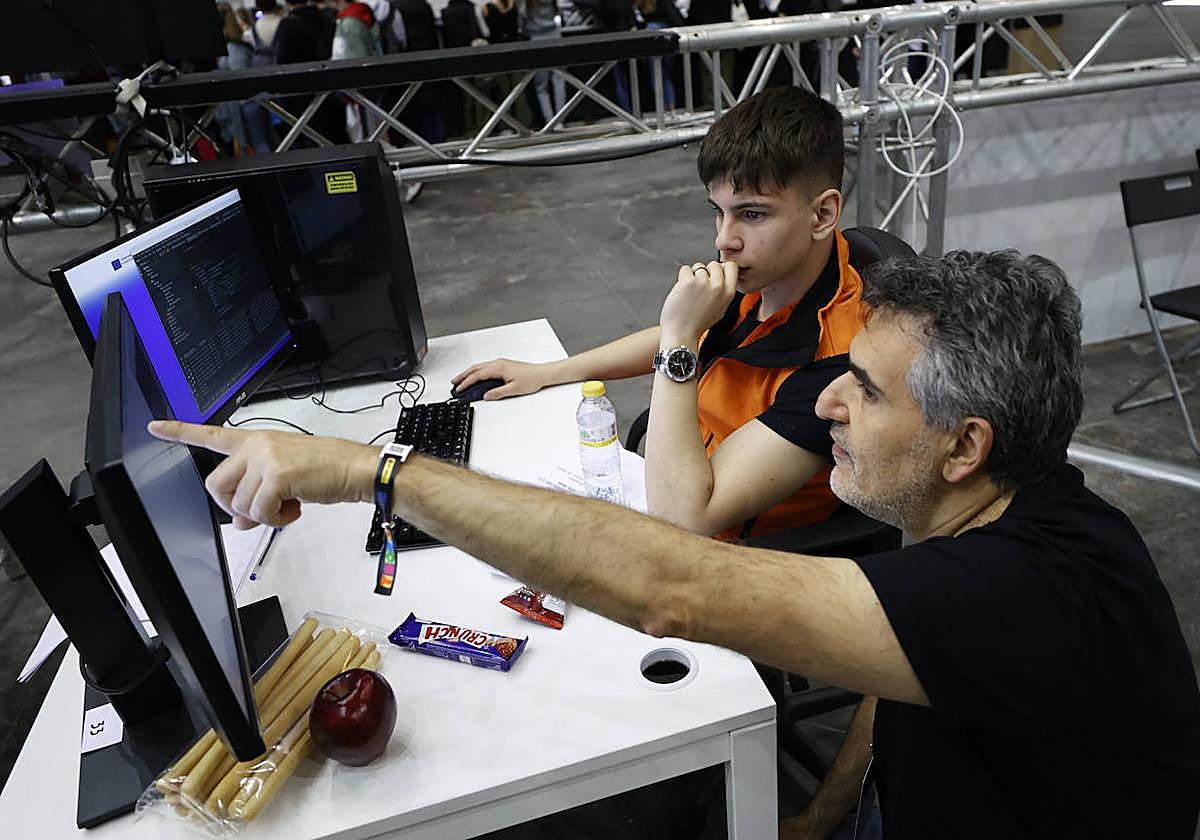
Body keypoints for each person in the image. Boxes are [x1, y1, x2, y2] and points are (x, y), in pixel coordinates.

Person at [154, 248, 1200, 837]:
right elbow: (903, 664)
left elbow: (675, 585)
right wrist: (824, 816)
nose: (827, 399)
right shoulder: (988, 517)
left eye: (866, 389)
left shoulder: (1033, 591)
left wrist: (371, 471)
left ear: (966, 445)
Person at [454, 87, 862, 542]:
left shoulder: (838, 367)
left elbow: (685, 519)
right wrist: (548, 372)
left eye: (752, 214)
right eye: (719, 212)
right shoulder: (772, 276)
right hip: (677, 478)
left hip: (732, 559)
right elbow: (673, 337)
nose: (725, 239)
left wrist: (682, 337)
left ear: (823, 213)